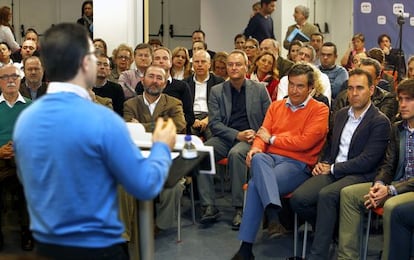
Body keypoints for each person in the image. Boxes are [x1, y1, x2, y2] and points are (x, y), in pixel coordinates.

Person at [13, 23, 176, 260]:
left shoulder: (25, 120)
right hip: (98, 248)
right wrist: (161, 146)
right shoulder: (103, 120)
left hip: (48, 247)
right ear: (84, 63)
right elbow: (145, 184)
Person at [290, 68, 391, 260]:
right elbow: (330, 146)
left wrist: (332, 167)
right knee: (298, 199)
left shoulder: (379, 121)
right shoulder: (341, 114)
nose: (354, 93)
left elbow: (368, 161)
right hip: (333, 170)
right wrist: (324, 162)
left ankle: (317, 255)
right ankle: (333, 230)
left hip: (360, 175)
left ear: (371, 90)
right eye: (351, 88)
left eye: (359, 88)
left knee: (327, 196)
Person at [232, 63, 329, 260]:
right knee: (258, 158)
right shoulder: (276, 106)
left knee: (253, 185)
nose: (294, 90)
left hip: (297, 164)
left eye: (300, 86)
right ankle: (272, 206)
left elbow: (305, 142)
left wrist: (273, 140)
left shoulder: (319, 110)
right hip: (267, 160)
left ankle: (246, 248)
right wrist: (256, 148)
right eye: (291, 84)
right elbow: (262, 133)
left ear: (311, 88)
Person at [338, 78, 414, 260]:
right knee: (349, 194)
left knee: (391, 205)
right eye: (400, 99)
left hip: (408, 188)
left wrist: (390, 190)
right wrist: (379, 184)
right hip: (397, 183)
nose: (402, 105)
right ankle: (347, 258)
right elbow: (388, 163)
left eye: (408, 100)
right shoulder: (397, 128)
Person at [196, 50, 271, 230]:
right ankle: (209, 206)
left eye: (238, 64)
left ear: (246, 67)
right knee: (202, 153)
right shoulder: (217, 91)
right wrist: (236, 135)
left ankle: (239, 208)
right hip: (226, 136)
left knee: (236, 154)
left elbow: (270, 117)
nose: (234, 68)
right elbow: (214, 123)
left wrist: (255, 133)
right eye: (230, 64)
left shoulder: (259, 89)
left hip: (251, 138)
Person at [0, 64, 32, 251]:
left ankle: (27, 232)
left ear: (20, 80)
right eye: (5, 77)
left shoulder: (32, 107)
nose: (10, 80)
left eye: (14, 76)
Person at [135, 47, 195, 134]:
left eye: (165, 58)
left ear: (170, 62)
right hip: (146, 135)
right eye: (157, 58)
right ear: (151, 62)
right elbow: (138, 116)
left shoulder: (182, 86)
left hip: (175, 134)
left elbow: (189, 117)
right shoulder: (142, 85)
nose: (161, 61)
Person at [124, 65, 186, 133]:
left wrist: (140, 126)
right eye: (151, 76)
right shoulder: (130, 105)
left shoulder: (174, 103)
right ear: (142, 80)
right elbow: (129, 128)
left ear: (165, 84)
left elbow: (179, 126)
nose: (154, 81)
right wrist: (164, 124)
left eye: (159, 78)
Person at [333, 57, 398, 122]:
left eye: (367, 77)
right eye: (360, 74)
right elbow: (335, 123)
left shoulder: (387, 98)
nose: (362, 79)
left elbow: (380, 123)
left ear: (377, 80)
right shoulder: (343, 96)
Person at [184, 50, 224, 140]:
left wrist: (208, 119)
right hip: (192, 118)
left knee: (214, 139)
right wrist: (192, 120)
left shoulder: (219, 82)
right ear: (192, 65)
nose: (200, 65)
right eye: (197, 62)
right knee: (190, 140)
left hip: (211, 117)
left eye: (203, 61)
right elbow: (182, 107)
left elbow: (222, 106)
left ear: (209, 64)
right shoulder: (185, 83)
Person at [93, 53, 125, 117]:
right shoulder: (84, 87)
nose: (102, 67)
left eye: (105, 65)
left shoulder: (116, 89)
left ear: (110, 70)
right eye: (98, 64)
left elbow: (119, 115)